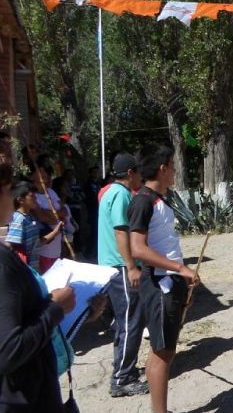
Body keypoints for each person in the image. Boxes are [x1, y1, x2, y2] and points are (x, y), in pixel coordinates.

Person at [0, 154, 76, 412]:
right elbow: (5, 352)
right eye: (8, 190)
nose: (13, 197)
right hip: (16, 400)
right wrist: (55, 308)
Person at [129, 144, 199, 413]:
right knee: (163, 352)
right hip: (160, 282)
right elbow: (138, 248)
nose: (175, 171)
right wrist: (180, 269)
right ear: (163, 168)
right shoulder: (143, 200)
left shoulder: (159, 199)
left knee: (162, 348)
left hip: (169, 280)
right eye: (173, 165)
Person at [97, 153, 149, 398]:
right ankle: (123, 379)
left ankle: (124, 368)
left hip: (113, 266)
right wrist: (131, 267)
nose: (141, 177)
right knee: (131, 322)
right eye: (138, 172)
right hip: (120, 267)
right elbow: (121, 232)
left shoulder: (109, 192)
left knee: (124, 322)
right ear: (130, 173)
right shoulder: (120, 195)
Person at [6, 181, 63, 270]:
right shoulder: (18, 219)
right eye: (32, 196)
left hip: (33, 269)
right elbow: (12, 247)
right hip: (25, 271)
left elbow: (36, 244)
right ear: (21, 200)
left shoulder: (29, 217)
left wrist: (55, 232)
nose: (36, 200)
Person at [32, 161, 68, 272]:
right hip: (45, 247)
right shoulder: (33, 196)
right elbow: (41, 217)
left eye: (44, 173)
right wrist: (56, 215)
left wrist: (51, 213)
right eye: (40, 173)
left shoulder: (51, 192)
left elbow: (64, 210)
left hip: (58, 244)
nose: (44, 176)